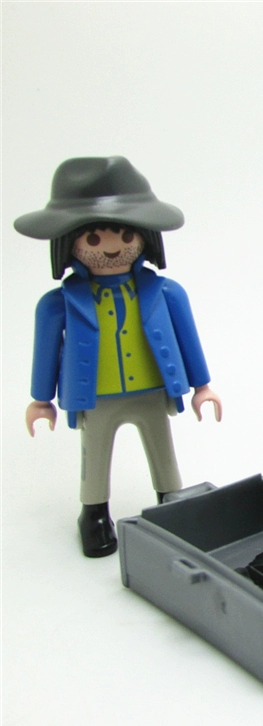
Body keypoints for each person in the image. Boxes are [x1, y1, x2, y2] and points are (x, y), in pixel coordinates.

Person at [16, 156, 222, 558]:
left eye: (125, 235)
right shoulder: (58, 303)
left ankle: (171, 504)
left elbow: (188, 339)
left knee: (163, 451)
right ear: (70, 243)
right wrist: (41, 400)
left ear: (144, 237)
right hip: (95, 395)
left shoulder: (166, 292)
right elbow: (45, 350)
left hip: (152, 390)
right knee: (95, 456)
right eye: (93, 240)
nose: (111, 248)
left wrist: (202, 386)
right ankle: (94, 514)